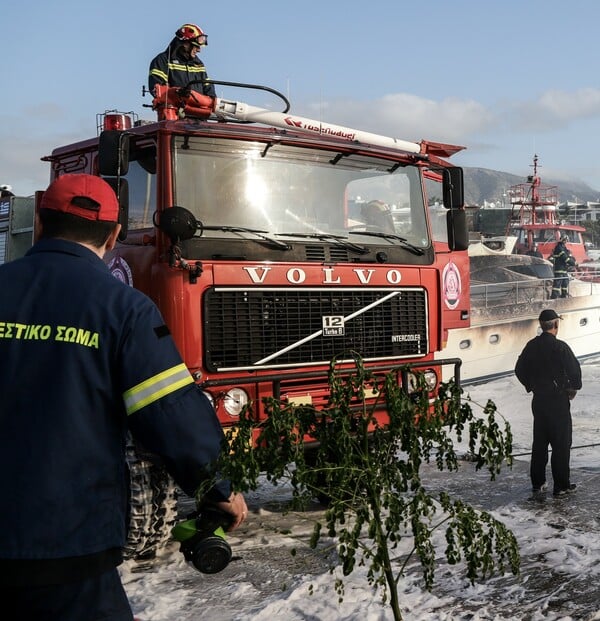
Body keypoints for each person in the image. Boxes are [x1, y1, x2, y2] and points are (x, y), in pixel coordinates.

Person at [0, 174, 247, 621]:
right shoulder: (124, 309)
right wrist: (217, 489)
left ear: (39, 223)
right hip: (68, 546)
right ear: (115, 236)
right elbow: (172, 417)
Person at [514, 308, 582, 497]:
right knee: (561, 444)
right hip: (558, 401)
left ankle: (538, 483)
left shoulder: (531, 346)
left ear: (541, 325)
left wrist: (531, 385)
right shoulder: (560, 347)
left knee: (540, 442)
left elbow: (519, 369)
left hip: (539, 400)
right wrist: (573, 388)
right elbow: (575, 372)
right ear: (556, 325)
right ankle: (561, 486)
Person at [149, 23, 216, 98]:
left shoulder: (198, 64)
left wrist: (214, 101)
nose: (199, 50)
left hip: (198, 109)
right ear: (185, 44)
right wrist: (178, 93)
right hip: (175, 108)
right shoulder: (163, 60)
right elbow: (157, 89)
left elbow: (207, 86)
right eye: (196, 46)